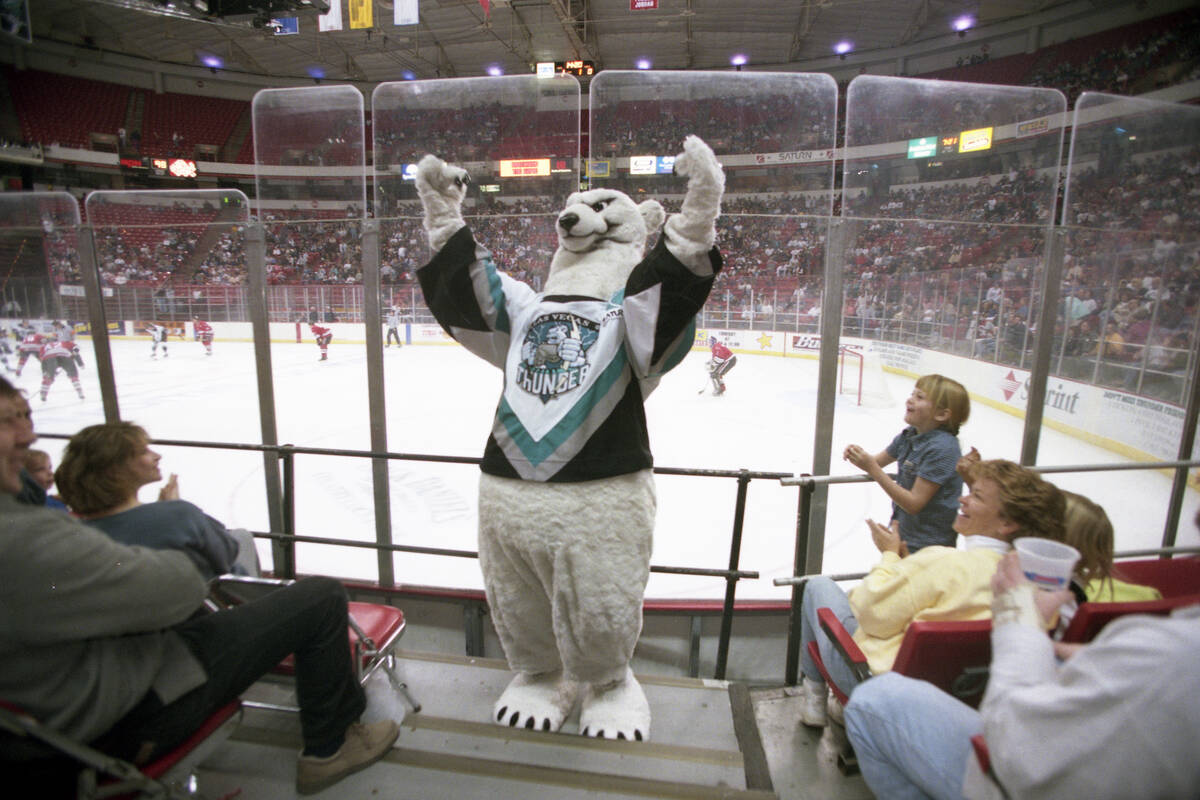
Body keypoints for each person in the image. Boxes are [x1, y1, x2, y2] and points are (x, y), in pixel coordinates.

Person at [0, 376, 399, 796]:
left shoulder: (60, 522)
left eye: (25, 415)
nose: (29, 434)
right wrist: (167, 517)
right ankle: (329, 748)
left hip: (57, 711)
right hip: (130, 711)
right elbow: (181, 585)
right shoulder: (24, 540)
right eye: (10, 420)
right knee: (321, 595)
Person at [843, 551, 1200, 800]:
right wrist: (1102, 661)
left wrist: (1017, 616)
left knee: (874, 700)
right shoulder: (1171, 645)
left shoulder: (1169, 659)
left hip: (1023, 778)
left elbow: (1015, 743)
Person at [797, 459, 1065, 728]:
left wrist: (890, 557)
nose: (963, 499)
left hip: (880, 688)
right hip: (963, 696)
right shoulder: (1038, 586)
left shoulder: (945, 563)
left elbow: (869, 612)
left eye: (977, 496)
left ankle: (816, 704)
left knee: (817, 586)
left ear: (1007, 523)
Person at [53, 421, 253, 580]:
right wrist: (173, 509)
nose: (157, 456)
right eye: (144, 452)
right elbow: (226, 555)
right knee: (241, 538)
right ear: (115, 469)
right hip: (204, 619)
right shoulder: (179, 515)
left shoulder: (71, 535)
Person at [844, 374, 970, 552]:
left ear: (942, 414)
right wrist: (857, 455)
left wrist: (870, 467)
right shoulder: (909, 435)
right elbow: (876, 462)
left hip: (929, 547)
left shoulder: (944, 448)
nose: (909, 400)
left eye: (919, 397)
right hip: (903, 535)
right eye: (913, 394)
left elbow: (913, 503)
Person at [36, 335, 84, 402]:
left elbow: (42, 359)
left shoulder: (43, 347)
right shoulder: (64, 343)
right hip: (64, 356)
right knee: (73, 375)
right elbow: (77, 347)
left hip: (49, 357)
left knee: (48, 377)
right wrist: (74, 354)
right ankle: (79, 392)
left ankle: (43, 393)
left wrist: (49, 372)